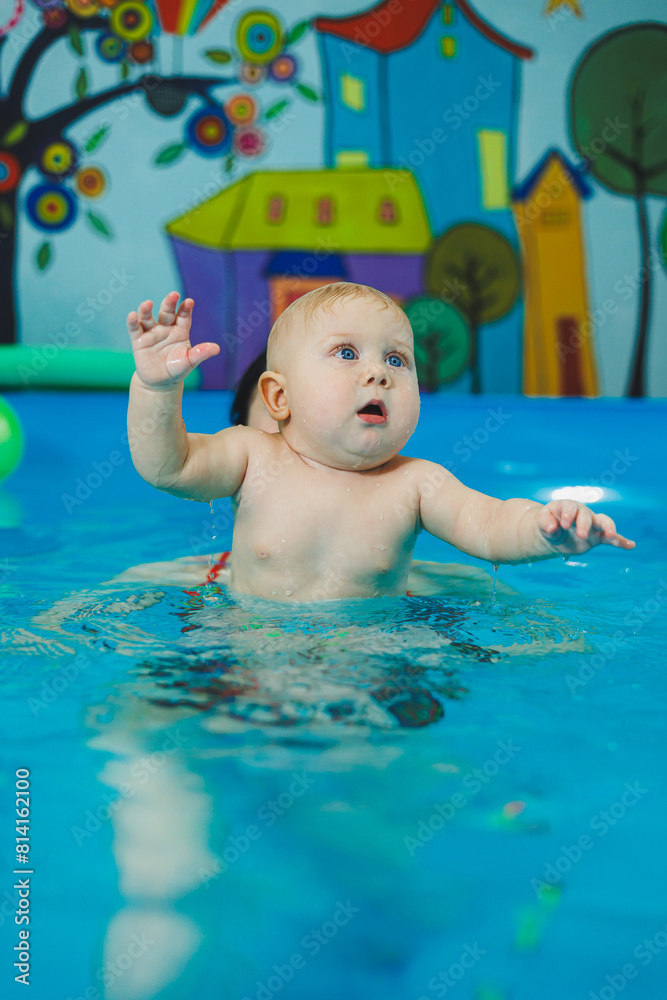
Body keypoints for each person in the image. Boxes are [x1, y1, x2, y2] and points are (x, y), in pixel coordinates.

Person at [126, 282, 634, 602]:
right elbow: (168, 467)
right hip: (247, 653)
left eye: (396, 360)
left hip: (373, 662)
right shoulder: (251, 455)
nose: (378, 373)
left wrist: (548, 529)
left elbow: (492, 525)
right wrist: (156, 388)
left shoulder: (417, 484)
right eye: (346, 353)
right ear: (279, 397)